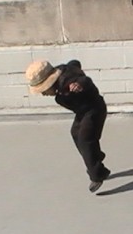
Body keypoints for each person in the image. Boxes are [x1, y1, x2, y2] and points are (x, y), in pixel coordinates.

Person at [25, 60, 110, 193]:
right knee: (75, 133)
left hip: (94, 109)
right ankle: (96, 157)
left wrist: (78, 84)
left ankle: (97, 175)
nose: (43, 94)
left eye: (44, 89)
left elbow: (85, 80)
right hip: (83, 112)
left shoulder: (68, 81)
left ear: (51, 82)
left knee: (85, 139)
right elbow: (74, 63)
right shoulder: (62, 72)